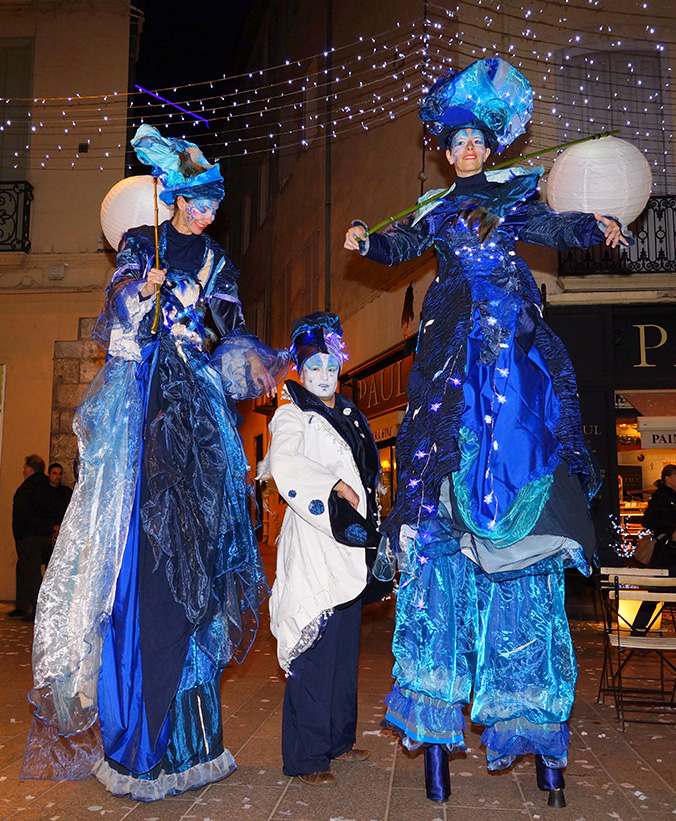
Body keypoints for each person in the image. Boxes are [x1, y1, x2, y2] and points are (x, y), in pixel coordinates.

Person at [344, 57, 632, 807]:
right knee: (438, 488)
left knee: (527, 443)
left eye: (478, 141)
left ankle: (538, 741)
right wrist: (364, 241)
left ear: (492, 146)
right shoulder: (437, 207)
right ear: (444, 149)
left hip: (509, 351)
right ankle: (437, 751)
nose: (467, 152)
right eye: (457, 142)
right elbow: (400, 243)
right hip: (449, 356)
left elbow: (552, 224)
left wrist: (593, 224)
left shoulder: (513, 195)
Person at [22, 125, 288, 801]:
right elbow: (113, 312)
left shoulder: (218, 259)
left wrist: (236, 345)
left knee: (197, 551)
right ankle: (142, 737)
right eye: (197, 201)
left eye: (214, 203)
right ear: (173, 196)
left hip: (197, 411)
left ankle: (191, 740)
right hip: (151, 410)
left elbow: (230, 329)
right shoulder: (145, 244)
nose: (206, 213)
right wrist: (146, 290)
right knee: (146, 558)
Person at [261, 312, 381, 786]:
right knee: (313, 649)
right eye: (313, 369)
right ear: (301, 371)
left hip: (349, 548)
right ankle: (307, 756)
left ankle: (336, 740)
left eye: (330, 368)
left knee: (343, 651)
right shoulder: (291, 413)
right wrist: (332, 485)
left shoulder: (348, 412)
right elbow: (285, 464)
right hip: (314, 545)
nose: (323, 377)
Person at [10, 454, 53, 622]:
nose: (23, 470)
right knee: (25, 569)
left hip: (28, 536)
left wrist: (19, 535)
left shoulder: (27, 488)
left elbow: (21, 513)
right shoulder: (47, 486)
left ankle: (37, 609)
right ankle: (22, 605)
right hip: (44, 534)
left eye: (24, 467)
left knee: (32, 574)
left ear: (30, 468)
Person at [642, 464, 676, 569]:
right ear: (667, 478)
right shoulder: (661, 497)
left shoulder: (669, 496)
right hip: (666, 548)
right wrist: (671, 529)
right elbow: (648, 520)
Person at [46, 463, 73, 562]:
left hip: (63, 532)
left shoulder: (66, 492)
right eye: (55, 473)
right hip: (47, 532)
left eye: (60, 474)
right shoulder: (42, 493)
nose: (58, 476)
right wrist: (51, 526)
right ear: (49, 474)